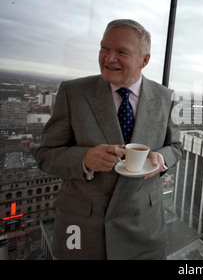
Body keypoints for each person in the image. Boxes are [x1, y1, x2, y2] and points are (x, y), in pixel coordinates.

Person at [34, 19, 183, 259]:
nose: (108, 58)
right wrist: (84, 159)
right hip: (82, 233)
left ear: (144, 60)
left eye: (121, 51)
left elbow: (175, 147)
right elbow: (44, 154)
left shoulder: (166, 97)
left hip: (144, 230)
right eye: (104, 48)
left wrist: (160, 160)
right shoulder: (73, 93)